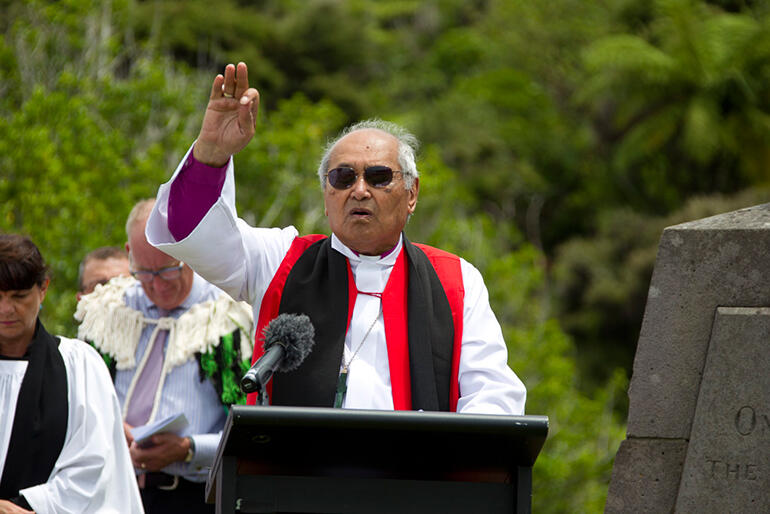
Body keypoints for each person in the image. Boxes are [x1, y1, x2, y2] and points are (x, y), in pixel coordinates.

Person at [147, 62, 526, 414]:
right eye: (343, 178)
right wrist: (211, 153)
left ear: (411, 194)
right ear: (327, 198)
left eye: (379, 177)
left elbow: (493, 396)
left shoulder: (456, 280)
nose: (359, 191)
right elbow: (191, 231)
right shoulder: (281, 261)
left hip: (415, 479)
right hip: (299, 481)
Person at [74, 199, 254, 514]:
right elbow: (79, 405)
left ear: (189, 253)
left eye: (169, 269)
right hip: (112, 491)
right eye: (145, 272)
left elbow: (250, 428)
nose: (157, 285)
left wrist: (188, 449)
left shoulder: (227, 318)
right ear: (129, 254)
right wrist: (112, 429)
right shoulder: (108, 312)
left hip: (194, 497)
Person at [0, 233, 144, 514]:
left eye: (19, 296)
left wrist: (29, 507)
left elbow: (94, 465)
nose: (6, 309)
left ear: (43, 289)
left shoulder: (78, 364)